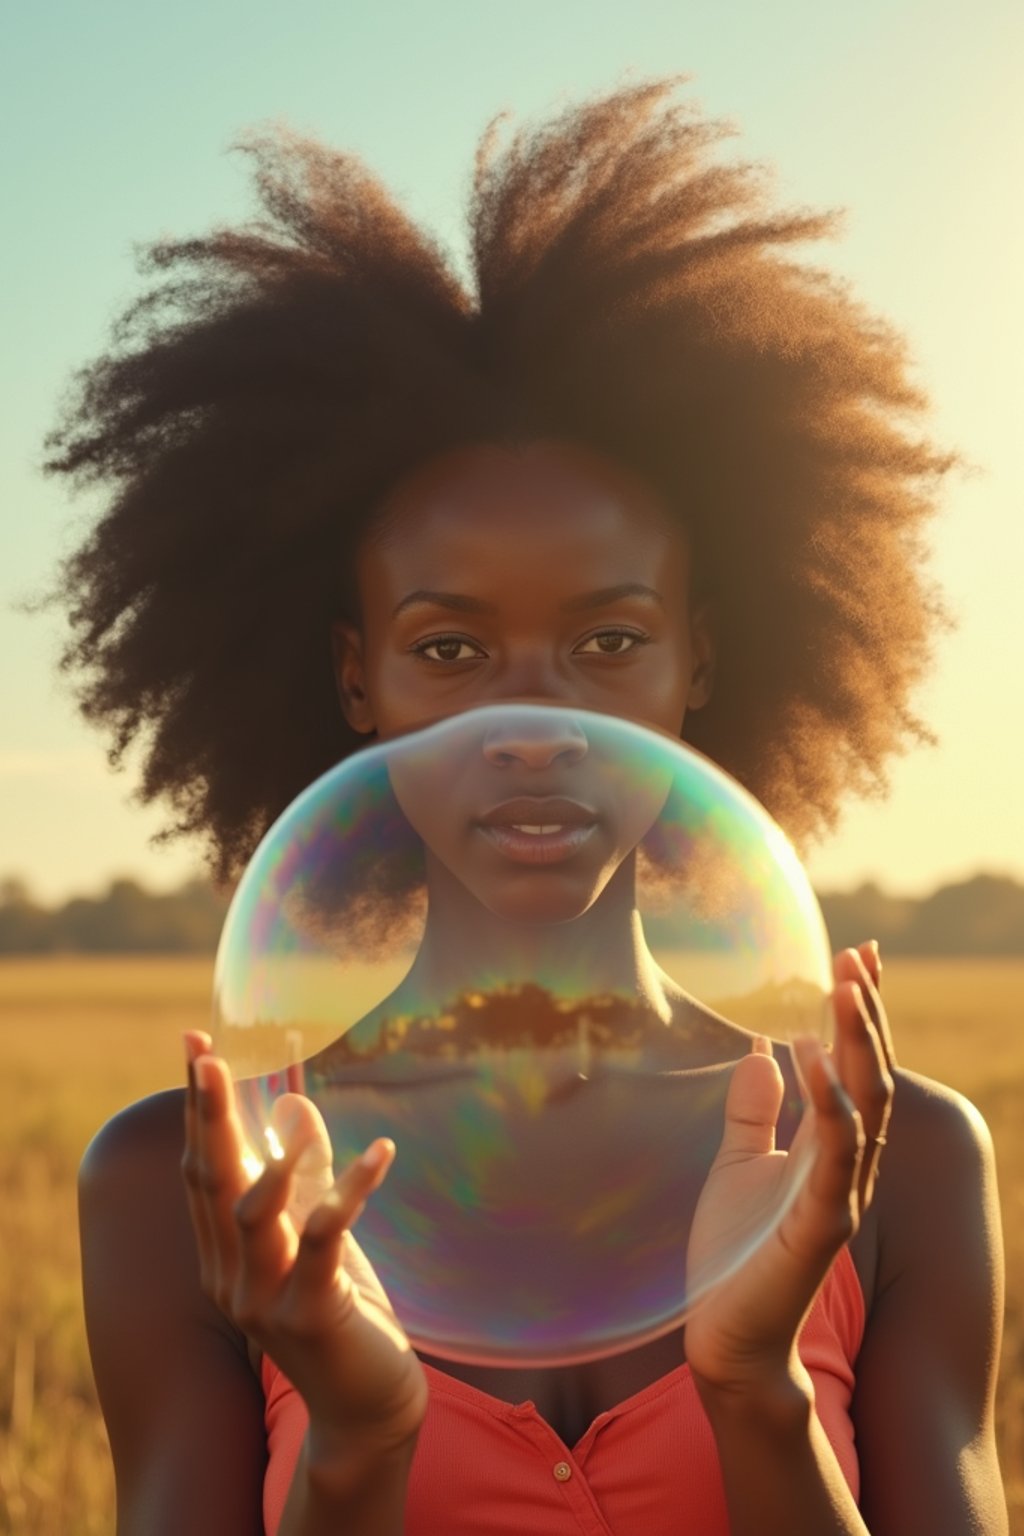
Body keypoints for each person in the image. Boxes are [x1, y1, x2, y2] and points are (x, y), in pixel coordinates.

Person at [49, 80, 1006, 1535]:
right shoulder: (195, 1185)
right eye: (449, 650)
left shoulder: (896, 1163)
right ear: (354, 678)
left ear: (706, 665)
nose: (531, 724)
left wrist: (758, 1389)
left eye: (611, 643)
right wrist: (356, 1442)